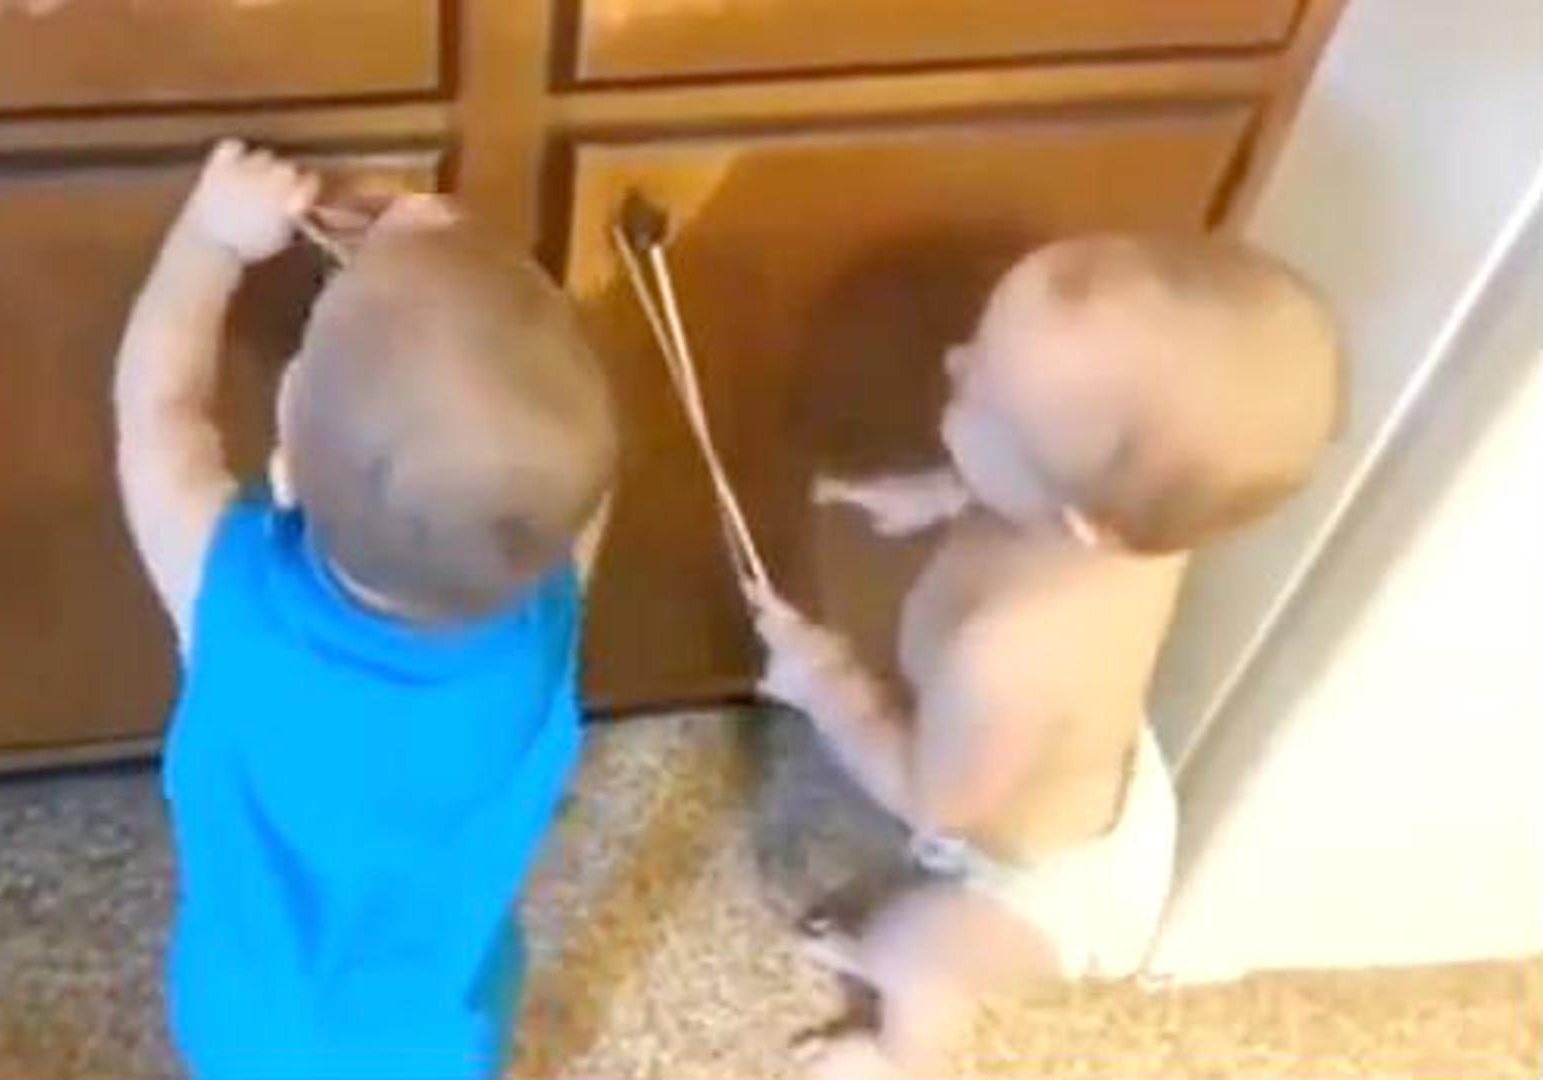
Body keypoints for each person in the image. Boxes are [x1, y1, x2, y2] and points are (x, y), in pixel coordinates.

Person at [751, 234, 1342, 1077]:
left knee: (916, 951)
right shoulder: (1120, 522)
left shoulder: (1007, 657)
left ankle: (900, 1052)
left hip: (1039, 886)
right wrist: (933, 495)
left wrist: (825, 684)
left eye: (980, 390)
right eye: (979, 345)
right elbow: (1010, 490)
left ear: (1081, 520)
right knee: (901, 917)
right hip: (1092, 786)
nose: (953, 361)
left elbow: (933, 800)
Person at [112, 141, 616, 1079]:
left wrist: (209, 237)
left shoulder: (233, 601)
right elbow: (556, 470)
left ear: (285, 470)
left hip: (250, 1030)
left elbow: (158, 414)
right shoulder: (542, 621)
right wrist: (452, 275)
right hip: (441, 1038)